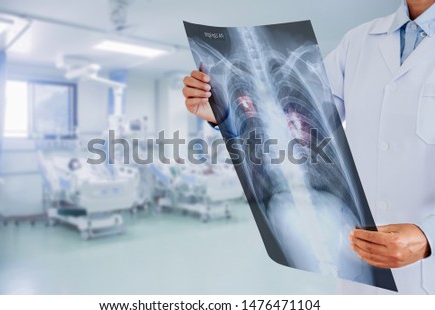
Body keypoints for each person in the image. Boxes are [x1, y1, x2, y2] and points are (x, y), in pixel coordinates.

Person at [182, 0, 435, 294]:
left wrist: (428, 236)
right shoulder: (358, 41)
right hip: (365, 273)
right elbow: (303, 123)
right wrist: (221, 112)